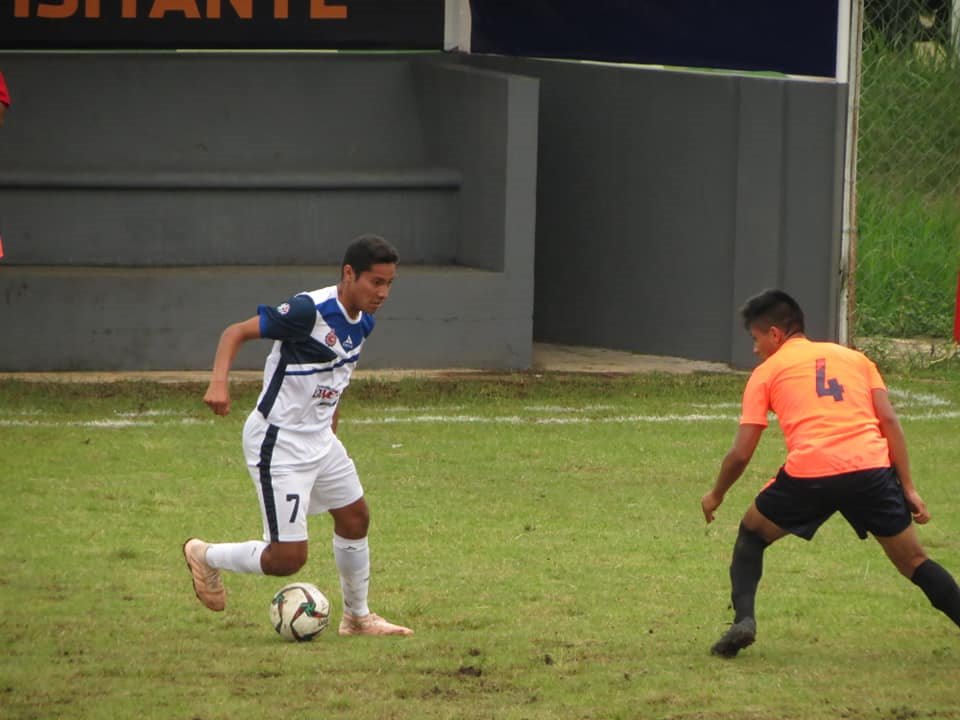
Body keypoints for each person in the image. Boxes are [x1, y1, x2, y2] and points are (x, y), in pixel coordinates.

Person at [701, 289, 960, 657]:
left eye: (756, 339)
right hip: (870, 469)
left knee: (752, 535)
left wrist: (716, 495)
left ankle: (744, 620)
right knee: (914, 561)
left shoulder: (766, 372)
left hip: (811, 472)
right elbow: (888, 420)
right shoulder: (856, 359)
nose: (755, 349)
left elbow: (741, 453)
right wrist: (909, 487)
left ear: (775, 334)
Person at [183, 234, 413, 636]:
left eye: (390, 283)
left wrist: (330, 433)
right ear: (348, 274)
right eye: (376, 282)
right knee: (287, 558)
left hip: (320, 441)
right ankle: (206, 555)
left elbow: (336, 378)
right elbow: (234, 332)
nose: (384, 293)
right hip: (279, 442)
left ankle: (357, 617)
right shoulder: (308, 310)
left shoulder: (365, 322)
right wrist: (219, 383)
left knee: (355, 518)